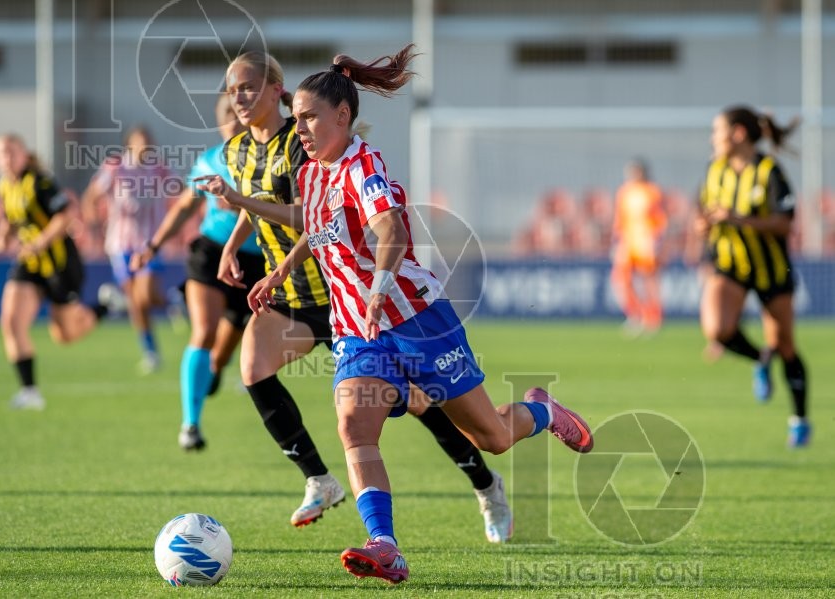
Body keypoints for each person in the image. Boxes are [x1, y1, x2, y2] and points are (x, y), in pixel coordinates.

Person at [243, 45, 593, 583]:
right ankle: (384, 544)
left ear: (343, 115)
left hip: (416, 319)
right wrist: (280, 272)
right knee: (354, 426)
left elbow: (391, 229)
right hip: (359, 330)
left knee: (492, 440)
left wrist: (381, 281)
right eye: (298, 119)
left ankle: (542, 412)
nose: (302, 128)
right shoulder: (311, 173)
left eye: (310, 117)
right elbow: (317, 231)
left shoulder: (366, 164)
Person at [197, 51, 515, 542]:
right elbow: (306, 216)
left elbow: (317, 216)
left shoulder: (305, 146)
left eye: (247, 87)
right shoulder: (239, 150)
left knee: (426, 405)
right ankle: (327, 488)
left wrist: (242, 205)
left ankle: (484, 482)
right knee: (259, 370)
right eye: (230, 88)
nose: (236, 97)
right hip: (308, 295)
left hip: (354, 296)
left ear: (274, 90)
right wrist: (251, 254)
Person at [130, 95, 265, 450]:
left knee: (220, 358)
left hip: (254, 262)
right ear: (219, 123)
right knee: (203, 331)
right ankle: (190, 425)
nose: (234, 122)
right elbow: (184, 208)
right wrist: (153, 245)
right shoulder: (209, 161)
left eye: (239, 115)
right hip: (209, 252)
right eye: (227, 117)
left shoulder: (268, 160)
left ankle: (213, 372)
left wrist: (241, 201)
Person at [694, 105, 810, 448]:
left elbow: (785, 223)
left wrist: (738, 218)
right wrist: (704, 226)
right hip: (729, 264)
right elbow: (705, 215)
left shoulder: (769, 170)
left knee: (786, 346)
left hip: (771, 269)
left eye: (717, 131)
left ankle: (800, 420)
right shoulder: (714, 170)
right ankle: (760, 359)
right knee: (717, 329)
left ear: (738, 134)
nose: (713, 138)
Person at [0, 134, 114, 409]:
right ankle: (30, 392)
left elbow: (65, 215)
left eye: (11, 152)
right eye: (1, 154)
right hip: (30, 264)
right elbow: (13, 217)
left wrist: (41, 241)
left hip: (60, 265)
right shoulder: (4, 186)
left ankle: (105, 307)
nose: (6, 158)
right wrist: (3, 233)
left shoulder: (40, 182)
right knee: (11, 321)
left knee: (65, 335)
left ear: (24, 154)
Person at [81, 126, 173, 373]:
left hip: (150, 243)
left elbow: (181, 194)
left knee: (143, 297)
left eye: (146, 142)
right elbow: (92, 196)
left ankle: (165, 301)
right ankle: (151, 352)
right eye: (138, 142)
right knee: (137, 302)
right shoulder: (115, 166)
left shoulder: (160, 167)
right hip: (120, 244)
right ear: (129, 144)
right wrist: (93, 223)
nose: (143, 147)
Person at [610, 158, 667, 336]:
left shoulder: (652, 192)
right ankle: (635, 314)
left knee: (648, 281)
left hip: (645, 241)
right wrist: (616, 238)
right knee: (621, 280)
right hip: (628, 241)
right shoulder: (624, 192)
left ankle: (653, 317)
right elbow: (619, 218)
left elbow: (660, 218)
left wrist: (657, 240)